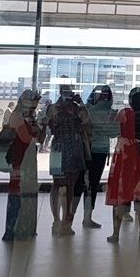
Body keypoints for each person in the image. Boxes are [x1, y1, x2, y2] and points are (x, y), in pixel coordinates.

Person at [105, 87, 140, 243]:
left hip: (126, 157)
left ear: (130, 100)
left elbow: (113, 131)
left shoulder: (123, 114)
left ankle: (116, 234)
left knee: (121, 194)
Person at [44, 83, 92, 236]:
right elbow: (49, 125)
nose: (68, 94)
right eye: (65, 91)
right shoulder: (53, 108)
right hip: (60, 146)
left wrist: (81, 104)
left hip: (73, 146)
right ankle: (57, 220)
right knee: (57, 183)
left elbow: (87, 122)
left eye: (70, 91)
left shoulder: (77, 107)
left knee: (71, 184)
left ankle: (67, 221)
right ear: (60, 92)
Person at [2, 90, 43, 241]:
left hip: (27, 159)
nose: (33, 108)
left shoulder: (25, 117)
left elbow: (38, 136)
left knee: (25, 193)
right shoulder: (17, 116)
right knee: (18, 195)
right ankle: (13, 229)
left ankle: (24, 228)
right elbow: (27, 138)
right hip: (20, 160)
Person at [81, 85, 117, 228]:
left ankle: (87, 216)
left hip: (101, 150)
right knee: (85, 183)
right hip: (89, 149)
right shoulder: (88, 110)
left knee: (93, 183)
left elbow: (113, 133)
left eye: (106, 94)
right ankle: (78, 216)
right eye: (101, 94)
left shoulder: (108, 112)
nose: (103, 97)